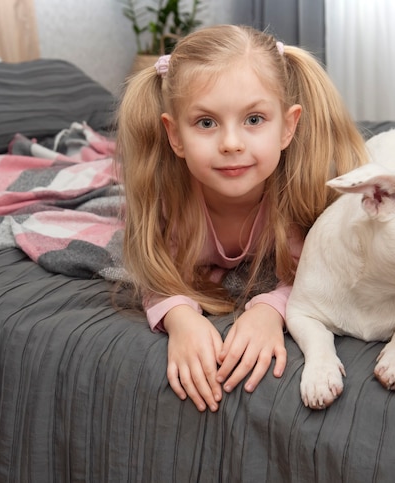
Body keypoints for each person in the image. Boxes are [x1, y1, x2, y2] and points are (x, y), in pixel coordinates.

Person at [116, 24, 368, 412]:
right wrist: (180, 318)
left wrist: (270, 311)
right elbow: (155, 271)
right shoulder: (168, 202)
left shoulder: (297, 198)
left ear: (288, 126)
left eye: (254, 119)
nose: (231, 143)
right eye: (206, 122)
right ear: (175, 135)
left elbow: (316, 274)